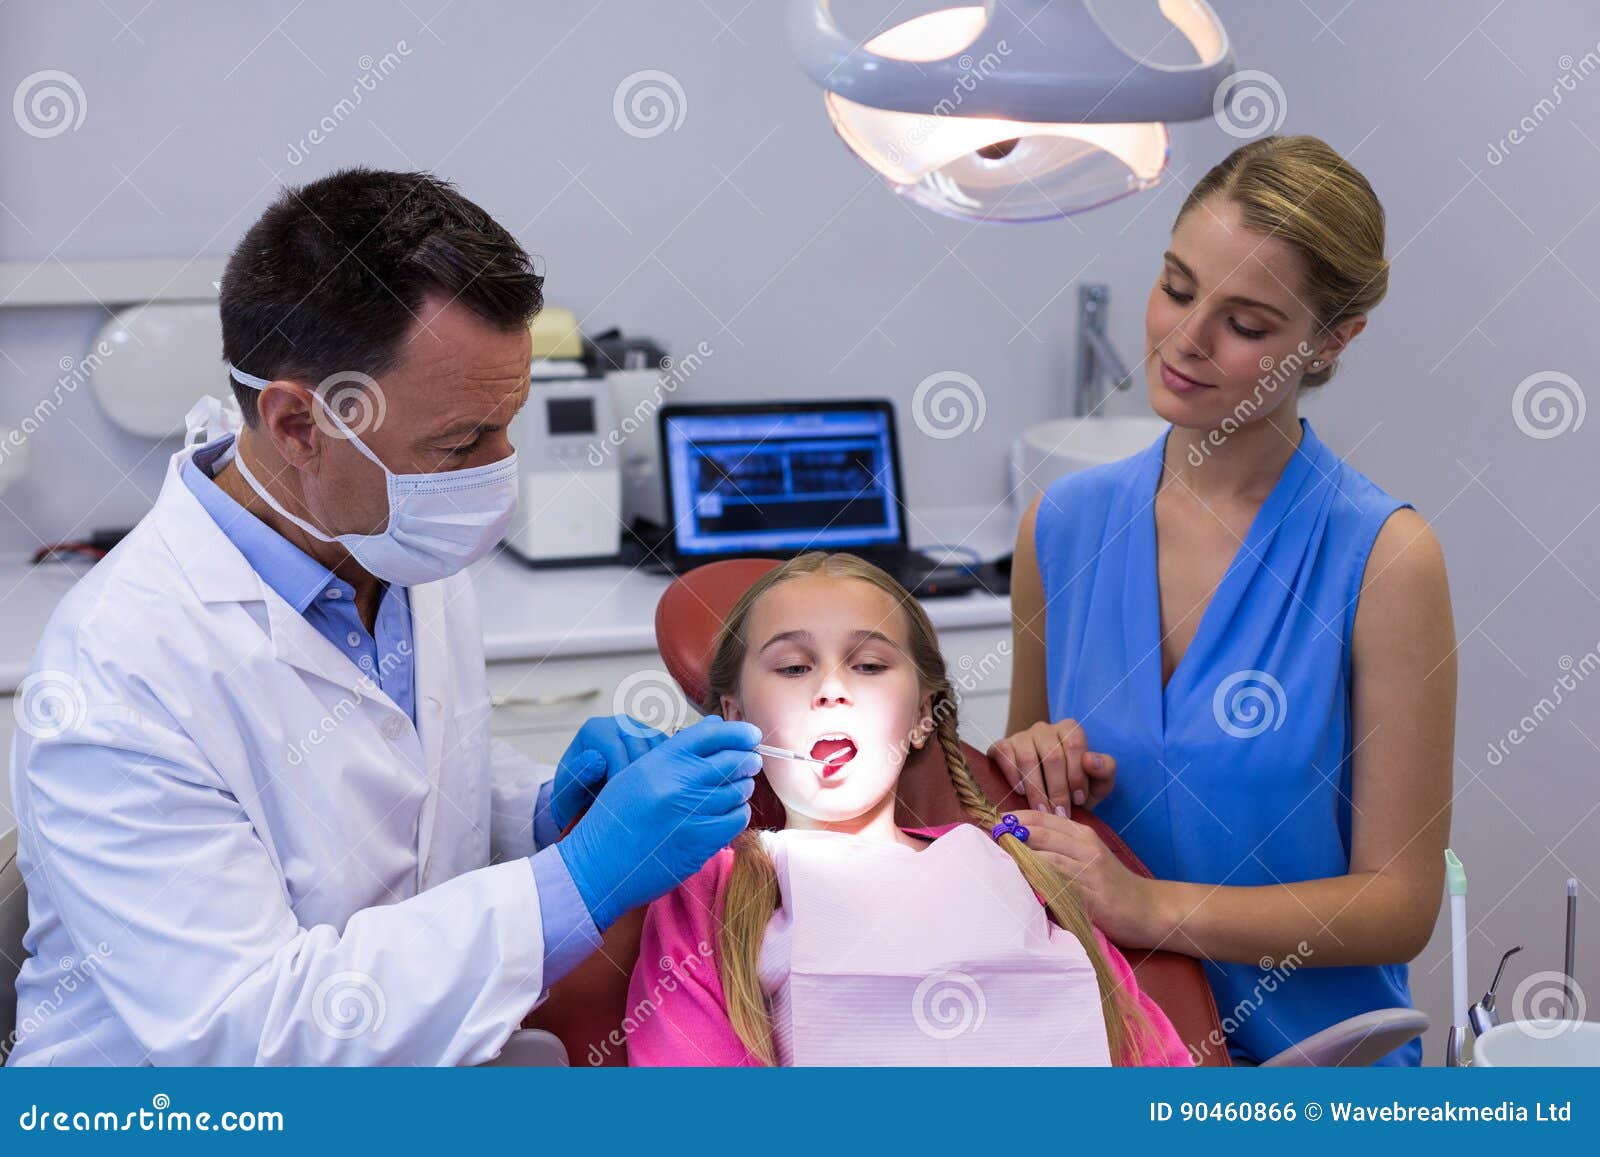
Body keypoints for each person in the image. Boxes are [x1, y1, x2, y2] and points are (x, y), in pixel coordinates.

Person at [6, 168, 759, 1066]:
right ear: (296, 424)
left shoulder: (395, 531)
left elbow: (403, 780)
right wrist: (581, 882)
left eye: (506, 421)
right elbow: (250, 1031)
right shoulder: (120, 669)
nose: (498, 469)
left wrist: (548, 812)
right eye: (461, 440)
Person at [992, 136, 1456, 1065]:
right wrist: (1025, 765)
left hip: (1316, 1070)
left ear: (1331, 340)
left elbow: (1399, 905)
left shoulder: (1383, 561)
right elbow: (1025, 817)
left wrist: (1149, 906)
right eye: (1175, 285)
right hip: (1112, 1054)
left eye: (1247, 323)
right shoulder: (1063, 528)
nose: (1186, 338)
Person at [624, 552, 1192, 1066]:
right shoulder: (708, 895)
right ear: (735, 713)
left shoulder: (1024, 864)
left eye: (869, 665)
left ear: (923, 715)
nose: (830, 689)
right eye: (794, 667)